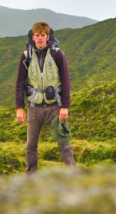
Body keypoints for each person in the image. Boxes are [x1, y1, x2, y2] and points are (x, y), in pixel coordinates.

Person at [15, 21, 76, 173]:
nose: (40, 38)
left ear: (47, 36)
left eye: (43, 35)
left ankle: (73, 176)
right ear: (33, 37)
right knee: (30, 146)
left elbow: (66, 81)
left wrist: (65, 107)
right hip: (34, 108)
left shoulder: (58, 54)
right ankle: (31, 177)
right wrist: (19, 107)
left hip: (55, 106)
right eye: (37, 35)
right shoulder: (26, 56)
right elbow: (19, 83)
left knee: (64, 143)